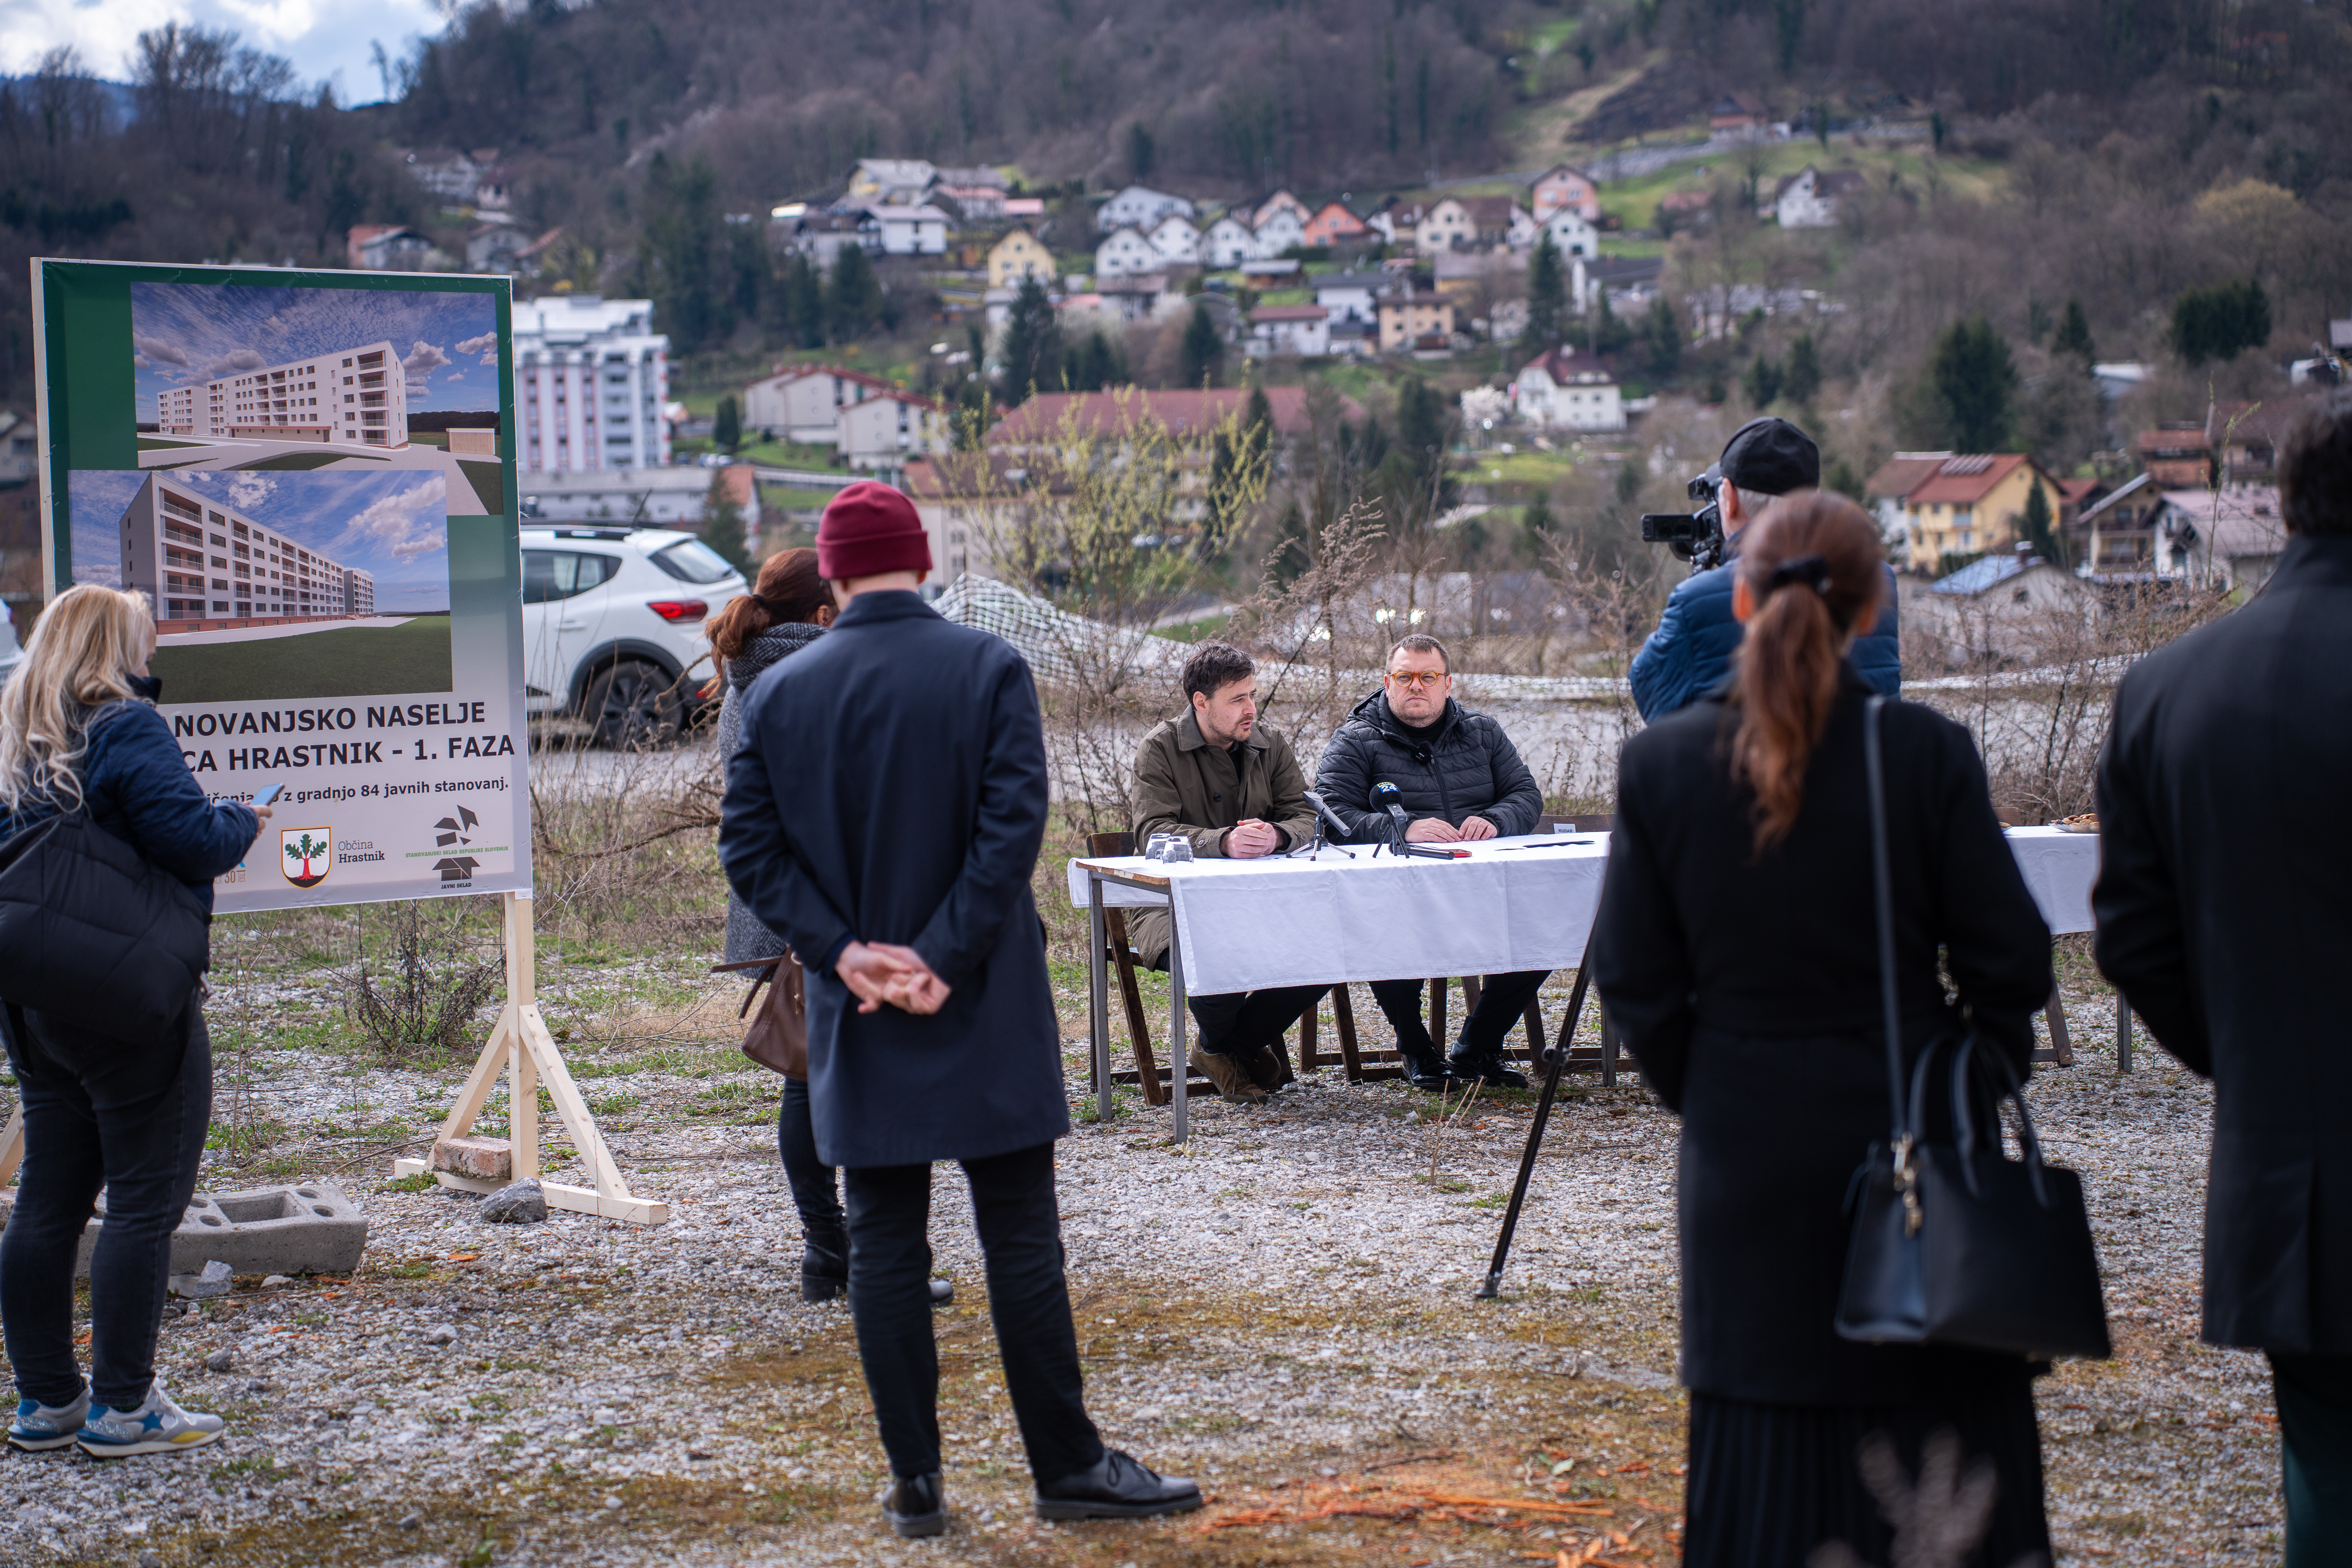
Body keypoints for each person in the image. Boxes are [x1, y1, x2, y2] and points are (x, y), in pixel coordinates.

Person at [719, 481, 1198, 1538]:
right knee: (1020, 1236)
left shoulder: (783, 693)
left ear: (834, 577)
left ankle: (918, 1485)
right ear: (924, 561)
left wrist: (849, 956)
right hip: (983, 994)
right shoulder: (987, 667)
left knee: (885, 1238)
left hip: (859, 1004)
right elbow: (1011, 828)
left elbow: (749, 849)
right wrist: (937, 958)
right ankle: (1068, 1471)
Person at [1591, 493, 2055, 1566]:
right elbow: (2014, 966)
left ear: (1739, 599)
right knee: (1938, 1439)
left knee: (1767, 1459)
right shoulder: (1925, 753)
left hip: (1743, 1160)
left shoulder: (1663, 766)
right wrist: (1969, 1078)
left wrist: (1718, 1090)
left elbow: (1636, 985)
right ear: (1873, 606)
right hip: (1917, 1144)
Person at [2094, 388, 2352, 1562]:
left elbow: (2134, 941)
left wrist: (2253, 1056)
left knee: (2330, 1480)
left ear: (2286, 505)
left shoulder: (2170, 691)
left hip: (2294, 1177)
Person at [0, 585, 268, 1458]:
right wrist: (243, 818)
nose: (154, 655)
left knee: (47, 1199)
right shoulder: (124, 725)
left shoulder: (17, 733)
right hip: (123, 998)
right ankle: (124, 1407)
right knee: (144, 1203)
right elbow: (193, 842)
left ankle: (47, 1401)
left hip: (32, 997)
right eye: (145, 641)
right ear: (113, 649)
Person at [712, 548, 953, 1309]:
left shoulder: (748, 671)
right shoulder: (810, 674)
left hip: (783, 902)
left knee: (811, 1074)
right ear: (824, 613)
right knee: (831, 1078)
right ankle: (859, 1255)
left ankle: (832, 1251)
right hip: (823, 907)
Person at [1313, 633, 1547, 1091]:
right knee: (1380, 929)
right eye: (1405, 677)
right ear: (1387, 682)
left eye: (1428, 676)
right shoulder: (1356, 739)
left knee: (1544, 927)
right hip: (1398, 893)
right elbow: (1332, 815)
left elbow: (1526, 795)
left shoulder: (1483, 732)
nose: (1416, 686)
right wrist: (1402, 828)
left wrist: (1495, 820)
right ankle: (1417, 1049)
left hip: (1482, 885)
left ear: (1448, 683)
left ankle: (1477, 1047)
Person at [1128, 641, 1324, 1105]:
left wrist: (1277, 835)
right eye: (1238, 699)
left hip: (1262, 897)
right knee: (1216, 948)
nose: (1251, 709)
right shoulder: (1160, 748)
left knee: (1325, 948)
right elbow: (1152, 832)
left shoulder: (1269, 744)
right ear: (1201, 702)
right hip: (1170, 902)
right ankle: (1235, 1050)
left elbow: (1305, 815)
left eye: (1253, 695)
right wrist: (1223, 842)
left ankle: (1221, 1047)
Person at [1628, 416, 1900, 722]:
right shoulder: (1876, 578)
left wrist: (1704, 579)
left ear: (1729, 499)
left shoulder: (1695, 601)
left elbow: (1654, 702)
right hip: (1867, 749)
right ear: (1815, 499)